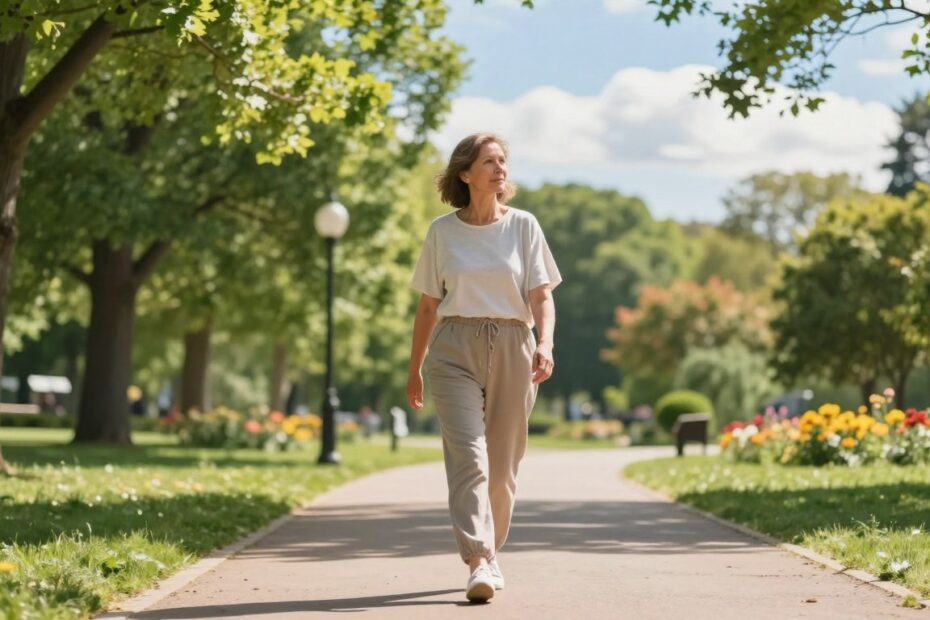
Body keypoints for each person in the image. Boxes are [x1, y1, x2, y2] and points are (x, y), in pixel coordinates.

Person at [406, 132, 561, 603]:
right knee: (468, 457)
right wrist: (414, 369)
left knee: (502, 469)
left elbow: (542, 295)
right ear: (465, 173)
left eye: (503, 161)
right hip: (453, 347)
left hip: (514, 343)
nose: (500, 170)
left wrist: (545, 343)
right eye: (489, 162)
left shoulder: (524, 226)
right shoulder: (442, 232)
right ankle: (478, 558)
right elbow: (428, 307)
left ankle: (491, 553)